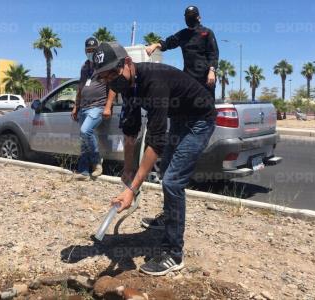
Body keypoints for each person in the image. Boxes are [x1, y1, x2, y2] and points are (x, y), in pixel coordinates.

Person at [92, 42, 216, 276]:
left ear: (127, 63)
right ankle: (168, 219)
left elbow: (156, 141)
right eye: (104, 77)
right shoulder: (127, 84)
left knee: (172, 181)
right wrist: (128, 170)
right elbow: (131, 127)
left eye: (112, 73)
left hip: (200, 120)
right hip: (179, 118)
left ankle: (173, 253)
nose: (110, 81)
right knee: (164, 172)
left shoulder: (154, 82)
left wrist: (132, 190)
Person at [146, 5, 219, 98]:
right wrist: (155, 45)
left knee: (207, 108)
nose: (190, 18)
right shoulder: (182, 35)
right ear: (185, 19)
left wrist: (212, 71)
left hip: (206, 78)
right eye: (188, 16)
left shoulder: (207, 33)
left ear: (199, 18)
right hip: (189, 78)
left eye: (193, 16)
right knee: (189, 108)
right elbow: (168, 43)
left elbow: (213, 53)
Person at [71, 37, 115, 180]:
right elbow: (80, 87)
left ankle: (97, 162)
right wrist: (76, 106)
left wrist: (108, 106)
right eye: (88, 50)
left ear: (98, 50)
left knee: (85, 131)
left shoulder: (104, 64)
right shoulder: (85, 67)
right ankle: (83, 171)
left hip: (98, 106)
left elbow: (113, 87)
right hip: (84, 107)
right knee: (84, 140)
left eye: (93, 50)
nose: (90, 52)